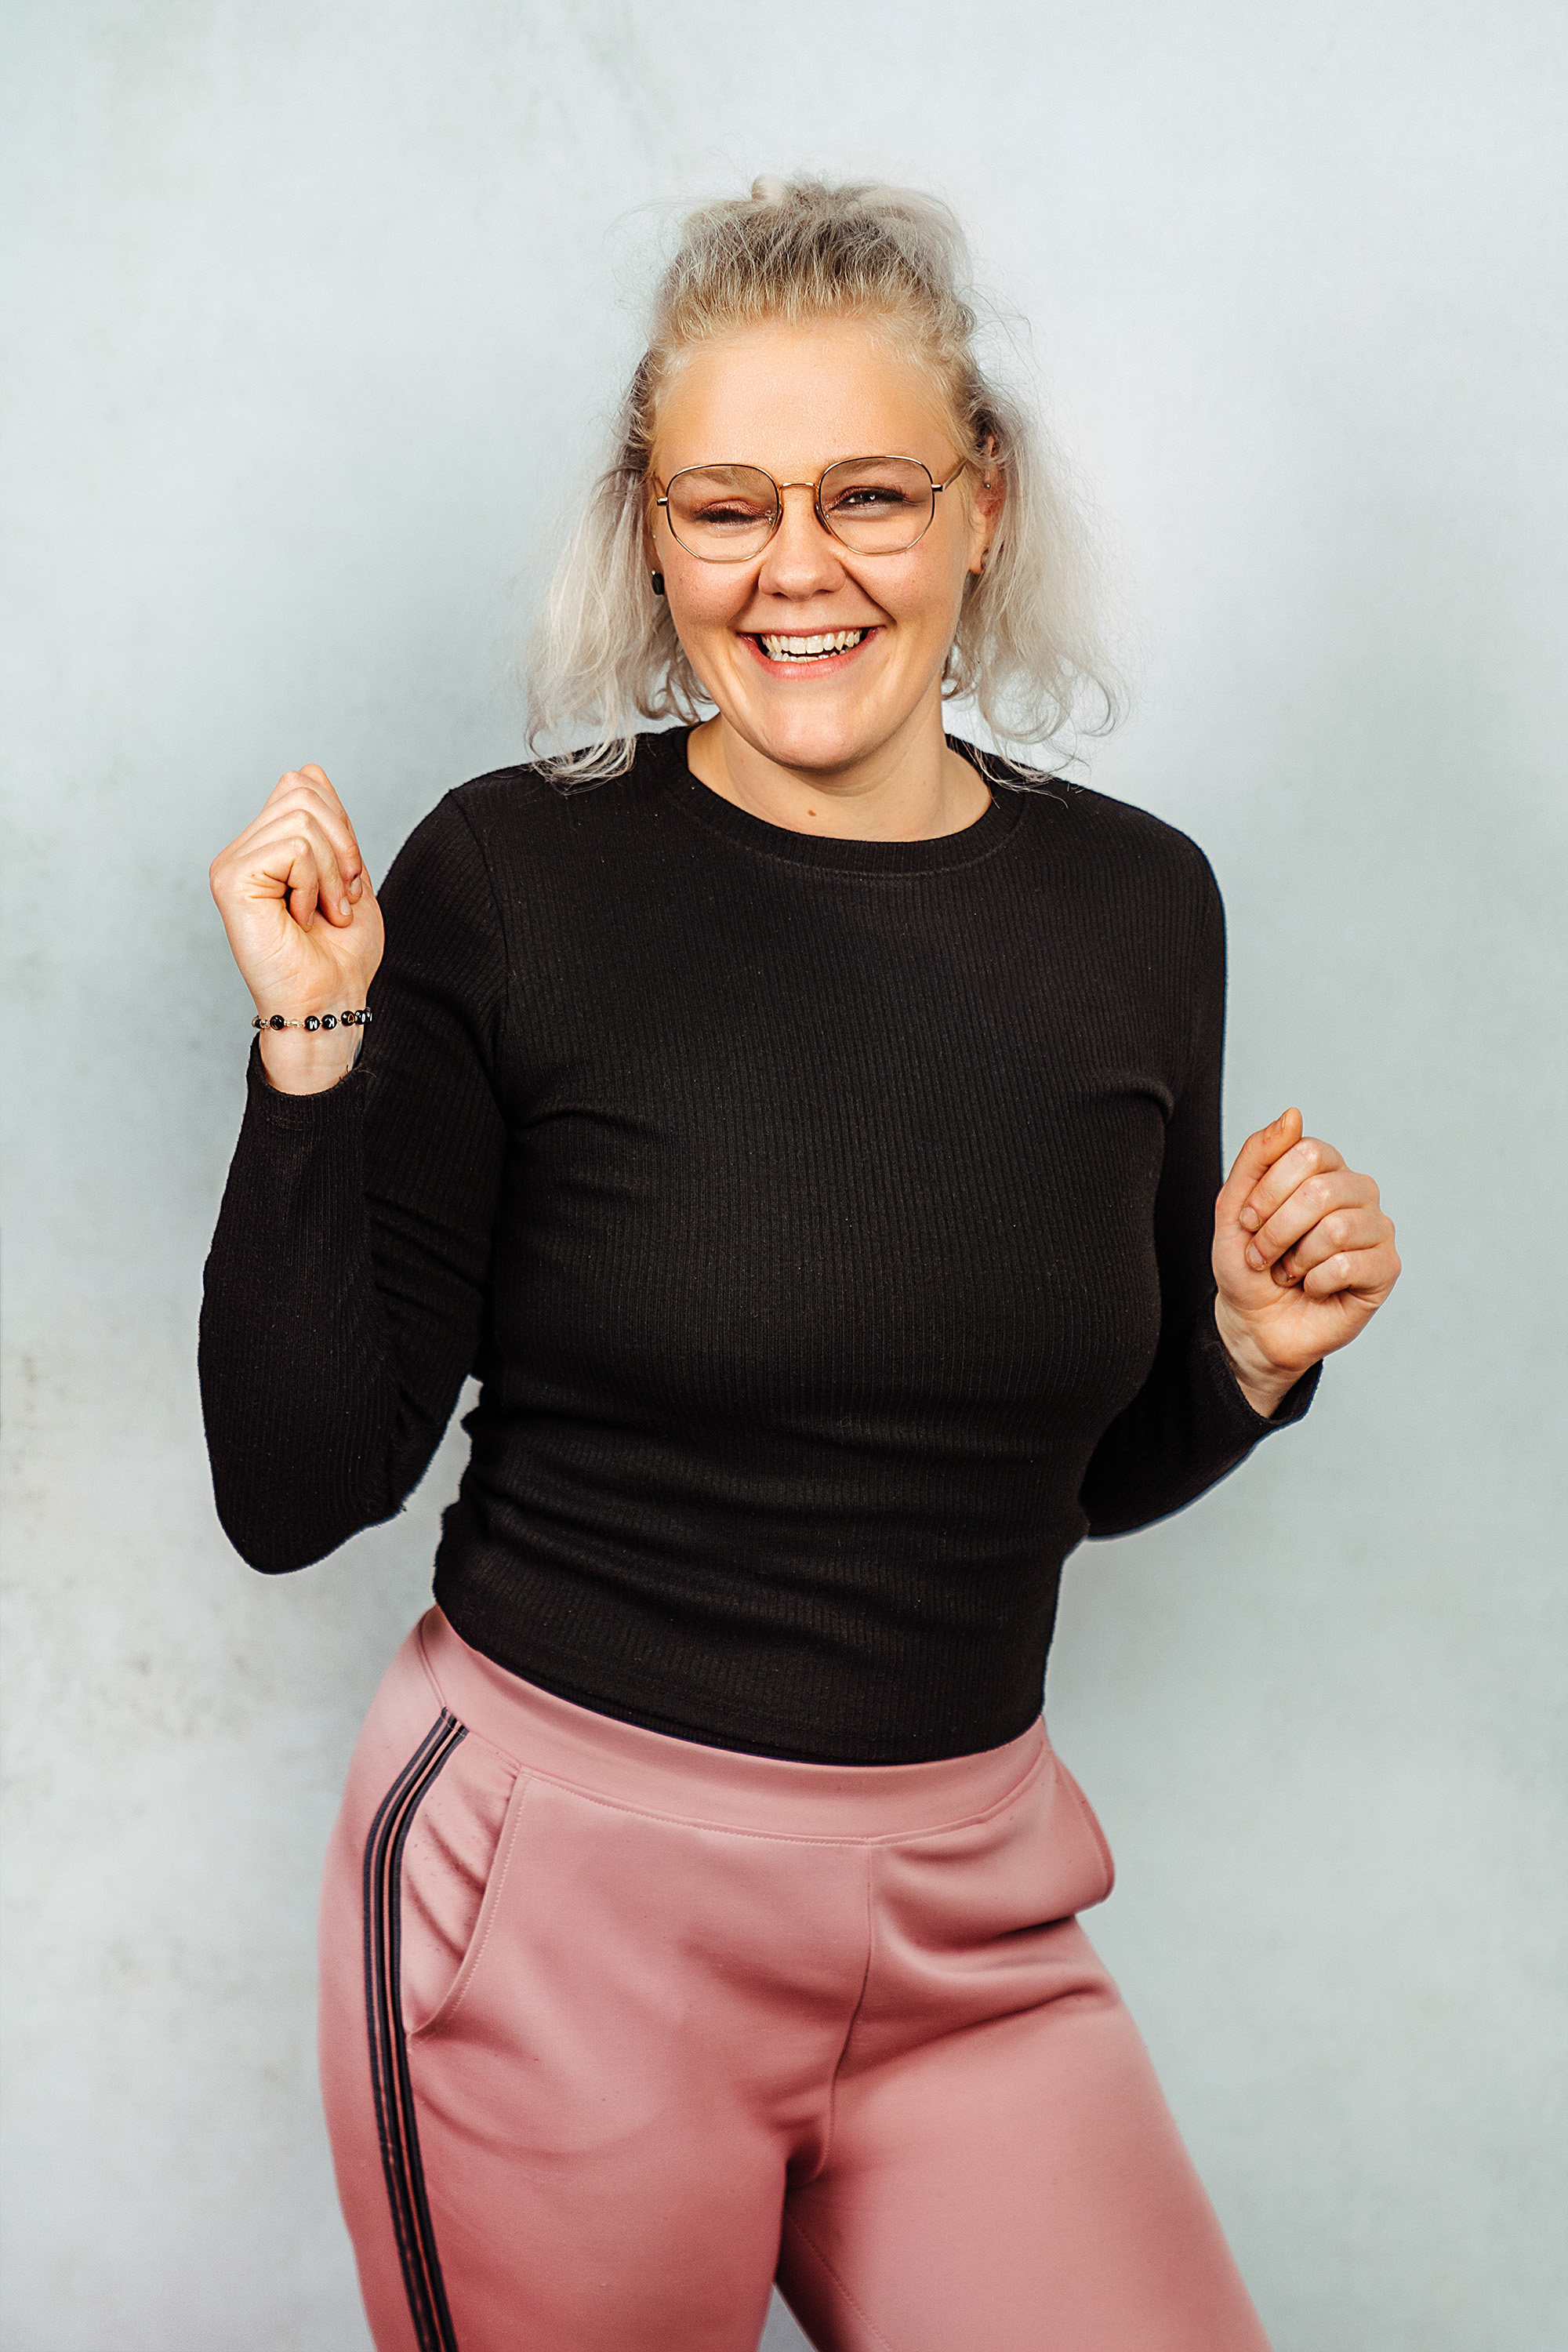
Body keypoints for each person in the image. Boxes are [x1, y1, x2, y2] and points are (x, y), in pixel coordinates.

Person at [201, 177, 1399, 2352]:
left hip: (971, 1923)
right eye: (725, 506)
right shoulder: (514, 880)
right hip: (555, 1919)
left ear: (979, 505)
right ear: (651, 532)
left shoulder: (1137, 910)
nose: (797, 568)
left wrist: (1241, 1355)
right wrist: (311, 1058)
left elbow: (1046, 1483)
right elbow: (297, 1492)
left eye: (867, 493)